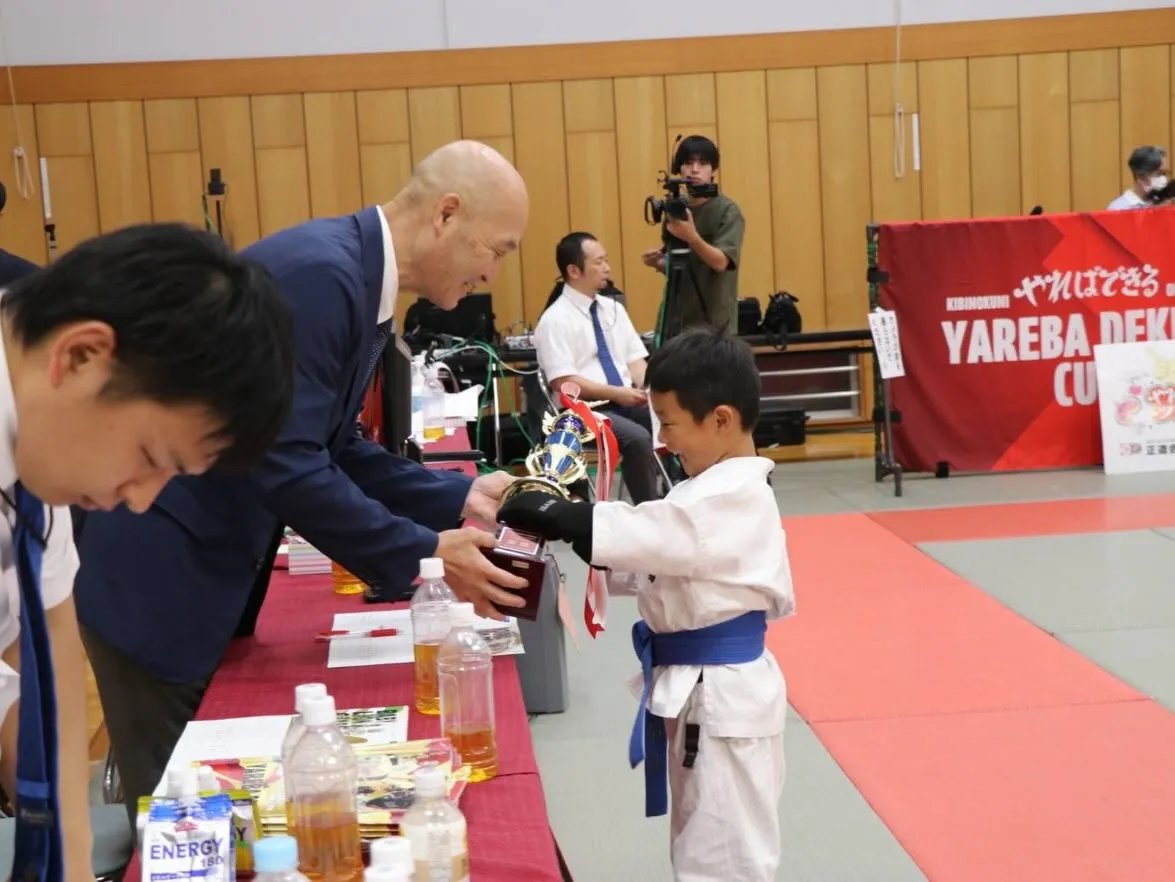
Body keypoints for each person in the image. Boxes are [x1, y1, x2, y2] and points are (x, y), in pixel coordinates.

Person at [74, 139, 532, 826]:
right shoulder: (323, 277)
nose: (491, 275)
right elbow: (285, 460)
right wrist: (428, 557)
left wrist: (455, 497)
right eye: (495, 249)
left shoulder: (353, 275)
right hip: (157, 580)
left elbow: (331, 442)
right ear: (446, 215)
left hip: (201, 570)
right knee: (188, 830)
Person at [0, 223, 294, 882]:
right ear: (80, 357)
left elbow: (50, 665)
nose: (138, 500)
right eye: (149, 459)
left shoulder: (35, 453)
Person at [496, 328, 794, 882]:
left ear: (722, 420)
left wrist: (565, 517)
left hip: (723, 697)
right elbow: (656, 559)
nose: (663, 439)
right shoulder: (707, 488)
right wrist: (576, 522)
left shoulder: (733, 495)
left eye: (672, 423)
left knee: (725, 853)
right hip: (703, 689)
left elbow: (654, 535)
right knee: (699, 835)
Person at [533, 232, 662, 503]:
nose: (607, 268)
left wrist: (650, 390)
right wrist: (618, 393)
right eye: (599, 262)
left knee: (677, 419)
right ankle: (649, 512)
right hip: (581, 412)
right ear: (574, 270)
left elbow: (635, 360)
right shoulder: (554, 320)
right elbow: (565, 383)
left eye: (606, 260)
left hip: (625, 401)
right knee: (638, 438)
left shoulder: (612, 308)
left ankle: (680, 499)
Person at [642, 135, 745, 339]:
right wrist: (660, 263)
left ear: (713, 170)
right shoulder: (676, 209)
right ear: (679, 169)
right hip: (676, 319)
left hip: (713, 324)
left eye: (703, 163)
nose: (694, 169)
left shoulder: (728, 211)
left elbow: (721, 263)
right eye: (688, 163)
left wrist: (692, 237)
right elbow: (681, 263)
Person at [1107, 145, 1172, 210]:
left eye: (1164, 173)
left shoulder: (1166, 203)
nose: (1164, 179)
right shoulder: (1118, 208)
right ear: (1140, 176)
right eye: (1158, 173)